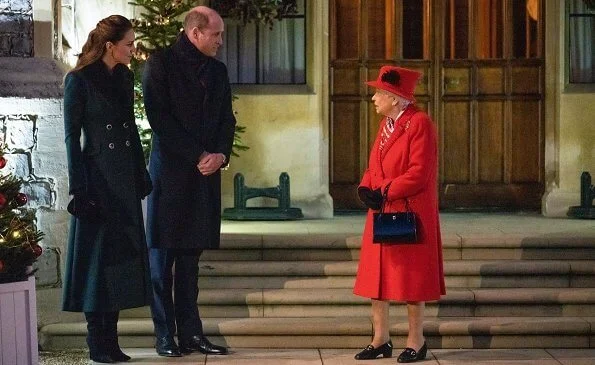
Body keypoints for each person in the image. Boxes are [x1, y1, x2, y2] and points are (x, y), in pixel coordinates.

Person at [142, 5, 236, 357]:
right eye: (216, 35)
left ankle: (192, 334)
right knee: (162, 259)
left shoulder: (217, 71)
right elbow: (160, 120)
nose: (220, 41)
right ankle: (165, 334)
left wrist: (221, 155)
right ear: (195, 33)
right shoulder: (159, 64)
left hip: (204, 176)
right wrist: (199, 155)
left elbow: (227, 119)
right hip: (171, 175)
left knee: (191, 261)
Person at [62, 15, 153, 364]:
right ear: (110, 45)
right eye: (129, 44)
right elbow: (72, 138)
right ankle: (96, 340)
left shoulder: (126, 76)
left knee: (118, 259)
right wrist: (79, 188)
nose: (134, 49)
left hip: (124, 178)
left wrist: (140, 172)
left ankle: (111, 340)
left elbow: (129, 129)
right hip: (96, 180)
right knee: (96, 259)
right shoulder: (79, 80)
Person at [352, 65, 445, 363]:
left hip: (408, 212)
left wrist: (386, 190)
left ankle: (416, 341)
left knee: (411, 281)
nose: (374, 98)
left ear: (395, 97)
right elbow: (374, 165)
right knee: (377, 279)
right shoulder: (387, 125)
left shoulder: (420, 124)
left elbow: (419, 173)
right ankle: (380, 339)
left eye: (379, 92)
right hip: (383, 209)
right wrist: (366, 187)